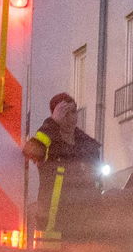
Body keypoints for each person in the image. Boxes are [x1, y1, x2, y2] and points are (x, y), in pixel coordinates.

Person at [24, 93, 103, 244]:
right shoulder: (49, 142)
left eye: (73, 111)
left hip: (84, 228)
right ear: (55, 114)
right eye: (64, 112)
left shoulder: (88, 146)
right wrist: (52, 123)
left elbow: (96, 184)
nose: (71, 117)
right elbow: (31, 151)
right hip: (52, 227)